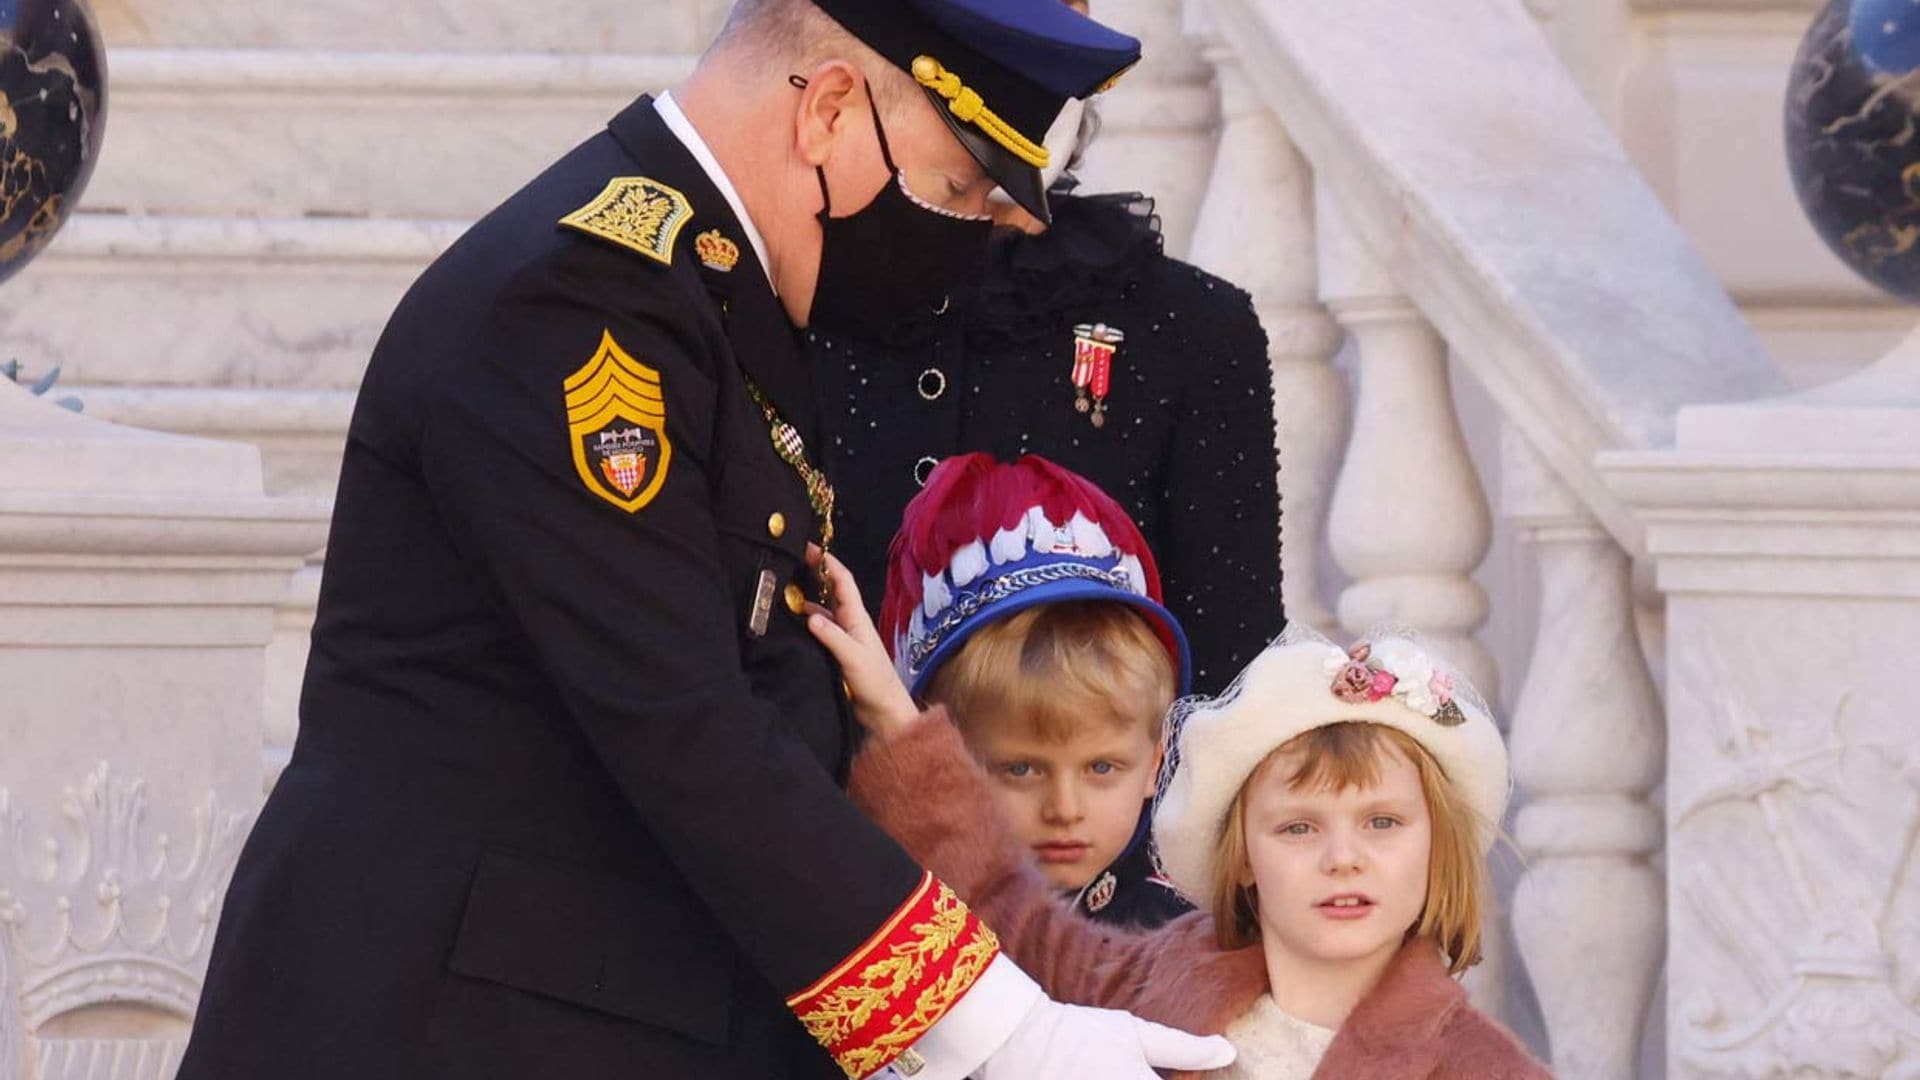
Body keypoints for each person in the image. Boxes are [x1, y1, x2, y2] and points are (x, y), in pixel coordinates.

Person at [174, 1, 1239, 1077]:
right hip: (442, 1024)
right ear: (828, 109)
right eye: (955, 186)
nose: (964, 235)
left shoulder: (710, 288)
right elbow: (681, 721)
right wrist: (1003, 1034)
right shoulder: (582, 303)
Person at [811, 571, 1550, 1078]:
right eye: (1298, 827)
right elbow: (1010, 919)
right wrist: (894, 721)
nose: (1343, 857)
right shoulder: (1156, 977)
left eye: (1383, 822)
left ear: (1437, 848)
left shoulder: (1481, 1067)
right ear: (1246, 856)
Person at [806, 0, 1282, 698]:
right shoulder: (798, 287)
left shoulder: (1190, 325)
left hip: (1102, 797)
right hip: (808, 793)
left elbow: (1230, 662)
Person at [882, 452, 1194, 927]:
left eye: (1101, 767)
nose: (1065, 810)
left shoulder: (1189, 940)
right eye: (1022, 769)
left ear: (1156, 760)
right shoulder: (900, 923)